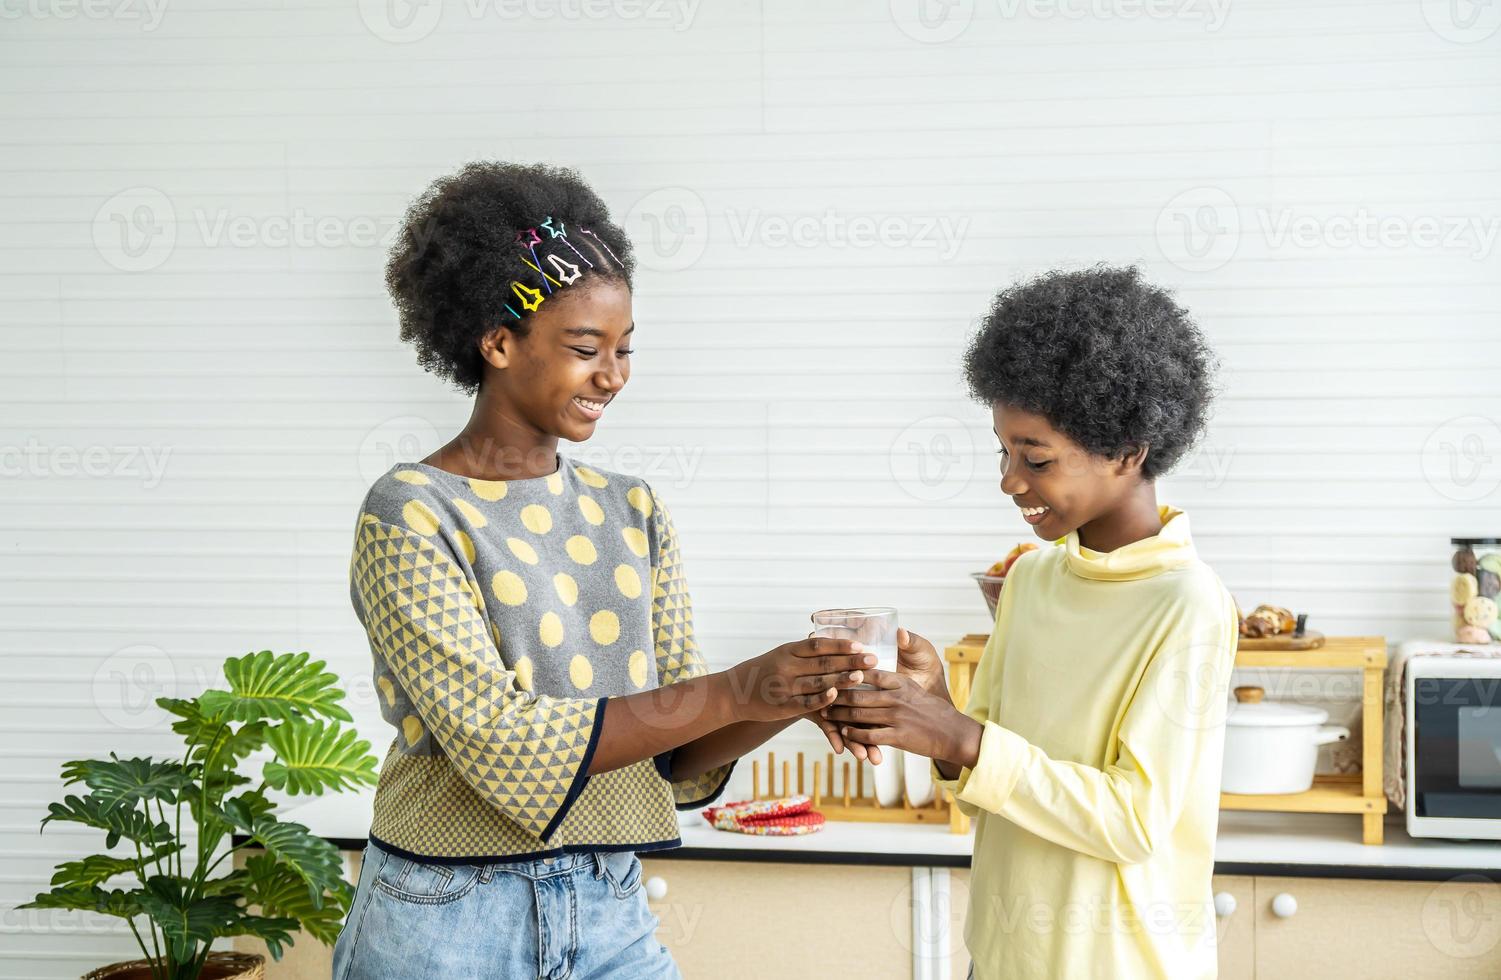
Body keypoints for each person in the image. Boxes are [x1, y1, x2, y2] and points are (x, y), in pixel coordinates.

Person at [331, 161, 877, 979]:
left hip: (610, 905)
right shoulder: (412, 510)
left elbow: (676, 747)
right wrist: (736, 686)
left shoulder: (633, 511)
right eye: (586, 349)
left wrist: (791, 694)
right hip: (446, 917)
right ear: (498, 340)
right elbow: (499, 743)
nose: (613, 375)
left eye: (623, 350)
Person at [823, 266, 1238, 979]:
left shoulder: (1187, 604)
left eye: (1035, 458)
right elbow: (985, 780)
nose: (1009, 481)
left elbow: (1133, 822)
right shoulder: (1032, 580)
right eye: (1005, 451)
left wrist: (958, 733)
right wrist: (932, 717)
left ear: (1127, 451)